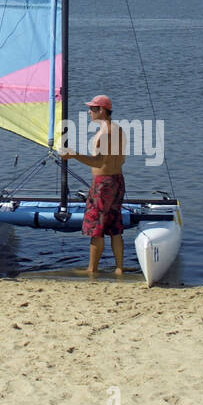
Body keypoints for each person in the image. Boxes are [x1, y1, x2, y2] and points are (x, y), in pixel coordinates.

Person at [59, 94, 126, 276]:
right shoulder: (119, 129)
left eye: (92, 108)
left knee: (96, 226)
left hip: (103, 184)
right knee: (115, 226)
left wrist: (73, 155)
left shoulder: (105, 133)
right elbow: (121, 159)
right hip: (118, 180)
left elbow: (98, 162)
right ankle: (119, 268)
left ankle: (92, 269)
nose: (89, 112)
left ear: (101, 110)